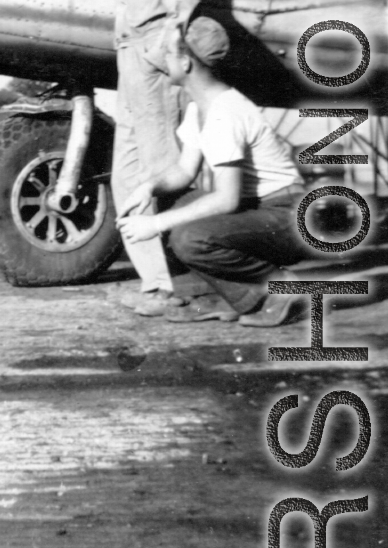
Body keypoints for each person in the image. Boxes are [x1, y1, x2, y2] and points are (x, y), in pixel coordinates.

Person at [117, 17, 309, 325]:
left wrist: (155, 223)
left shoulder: (224, 113)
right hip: (259, 211)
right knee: (171, 198)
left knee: (191, 238)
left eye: (167, 55)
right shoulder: (200, 107)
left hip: (285, 216)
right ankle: (211, 295)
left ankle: (283, 289)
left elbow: (227, 200)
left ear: (185, 62)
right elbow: (183, 171)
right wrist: (148, 188)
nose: (164, 62)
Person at [75, 0, 204, 308]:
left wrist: (154, 64)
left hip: (152, 75)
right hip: (130, 74)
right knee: (128, 179)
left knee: (165, 173)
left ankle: (197, 282)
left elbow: (181, 21)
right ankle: (157, 283)